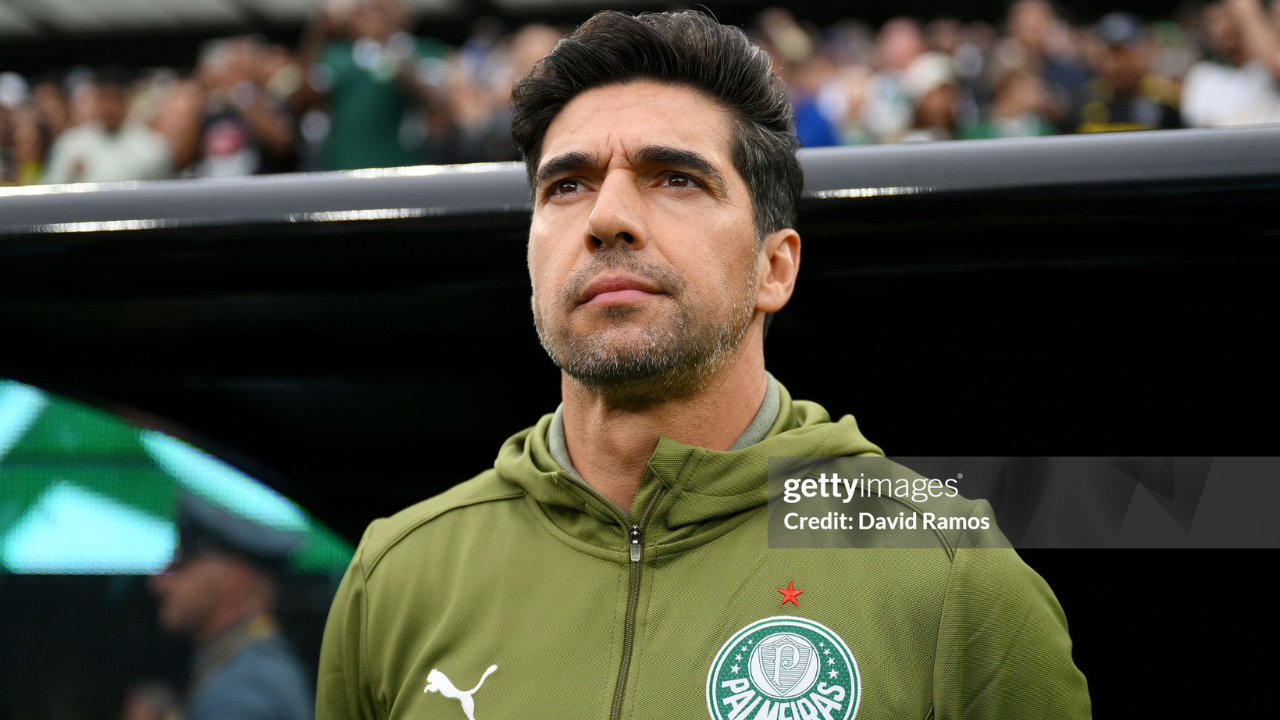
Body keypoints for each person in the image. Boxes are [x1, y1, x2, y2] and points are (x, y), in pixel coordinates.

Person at [316, 10, 1091, 720]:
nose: (607, 218)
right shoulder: (398, 576)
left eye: (676, 178)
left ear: (774, 269)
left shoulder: (949, 572)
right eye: (568, 185)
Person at [149, 493, 313, 720]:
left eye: (181, 565)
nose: (160, 583)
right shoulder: (245, 667)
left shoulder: (244, 688)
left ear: (234, 580)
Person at [41, 68, 173, 184]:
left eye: (115, 98)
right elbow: (50, 187)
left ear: (126, 100)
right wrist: (70, 173)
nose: (109, 107)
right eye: (103, 98)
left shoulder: (151, 147)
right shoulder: (70, 144)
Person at [1069, 12, 1181, 134]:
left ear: (1143, 53)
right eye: (1111, 55)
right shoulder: (1083, 100)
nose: (1117, 66)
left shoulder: (1166, 100)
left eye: (1125, 54)